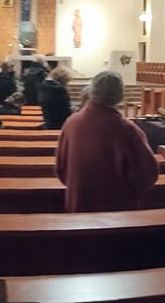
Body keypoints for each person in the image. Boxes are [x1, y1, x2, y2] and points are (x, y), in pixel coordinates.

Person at [54, 71, 159, 212]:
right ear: (120, 96)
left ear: (91, 92)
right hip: (117, 213)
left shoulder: (71, 123)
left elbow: (61, 169)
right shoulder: (127, 129)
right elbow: (146, 177)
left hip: (78, 206)